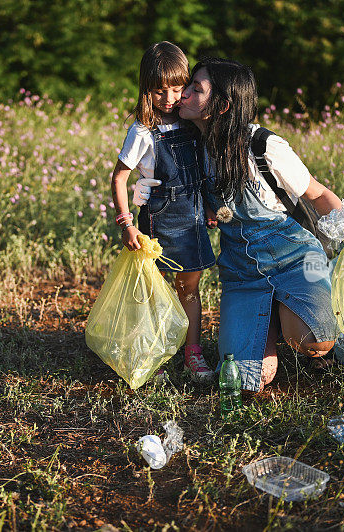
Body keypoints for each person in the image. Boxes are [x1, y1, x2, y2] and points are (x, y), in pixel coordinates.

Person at [178, 57, 343, 394]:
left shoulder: (263, 146)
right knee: (246, 379)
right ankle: (269, 315)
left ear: (222, 106)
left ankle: (299, 316)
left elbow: (318, 193)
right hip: (242, 274)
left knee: (315, 341)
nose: (183, 94)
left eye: (196, 89)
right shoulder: (195, 147)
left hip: (295, 260)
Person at [110, 42, 216, 381]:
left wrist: (212, 204)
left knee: (190, 288)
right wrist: (126, 224)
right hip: (160, 218)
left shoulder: (193, 121)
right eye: (160, 91)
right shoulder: (142, 131)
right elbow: (120, 177)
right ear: (146, 90)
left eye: (177, 88)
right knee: (152, 291)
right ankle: (151, 352)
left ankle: (192, 353)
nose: (169, 98)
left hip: (194, 217)